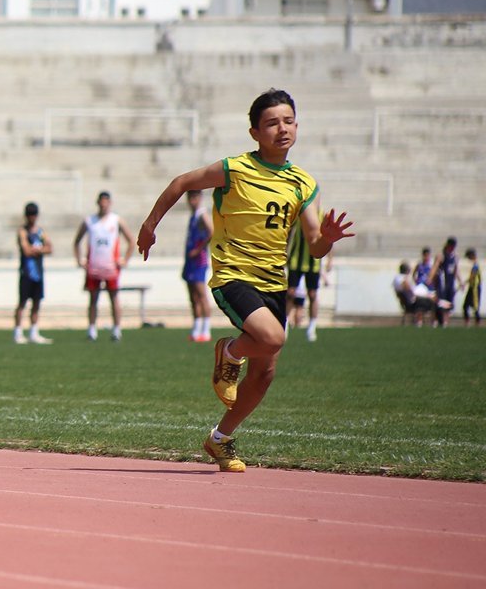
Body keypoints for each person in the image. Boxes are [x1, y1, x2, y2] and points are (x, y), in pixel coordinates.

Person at [137, 88, 354, 473]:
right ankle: (229, 351)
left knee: (265, 373)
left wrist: (328, 239)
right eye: (272, 123)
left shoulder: (304, 184)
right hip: (234, 275)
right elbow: (181, 182)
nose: (282, 129)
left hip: (274, 284)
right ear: (255, 132)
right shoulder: (234, 169)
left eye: (288, 121)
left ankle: (220, 439)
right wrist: (149, 226)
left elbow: (315, 246)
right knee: (273, 338)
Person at [73, 191, 134, 341]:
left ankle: (117, 330)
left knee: (114, 298)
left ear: (110, 203)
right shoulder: (90, 221)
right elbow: (77, 241)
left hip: (111, 267)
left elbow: (131, 241)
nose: (104, 205)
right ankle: (92, 329)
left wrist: (125, 259)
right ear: (98, 203)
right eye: (102, 202)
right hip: (94, 266)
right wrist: (79, 260)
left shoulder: (116, 220)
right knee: (93, 299)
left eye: (106, 202)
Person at [14, 202, 54, 345]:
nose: (32, 217)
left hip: (38, 272)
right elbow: (26, 250)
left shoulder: (40, 232)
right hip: (26, 272)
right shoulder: (23, 231)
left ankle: (33, 332)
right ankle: (18, 333)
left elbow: (50, 248)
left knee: (36, 303)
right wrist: (40, 249)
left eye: (34, 214)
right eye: (30, 214)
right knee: (22, 303)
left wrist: (37, 250)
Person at [285, 212, 326, 341]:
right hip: (296, 260)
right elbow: (289, 233)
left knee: (312, 294)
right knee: (290, 292)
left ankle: (312, 327)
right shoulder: (299, 213)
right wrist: (285, 252)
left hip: (313, 262)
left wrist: (330, 258)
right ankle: (284, 324)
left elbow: (328, 238)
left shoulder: (321, 215)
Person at [182, 189, 213, 342]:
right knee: (193, 296)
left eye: (195, 197)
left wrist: (199, 249)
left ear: (200, 198)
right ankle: (196, 329)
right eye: (190, 197)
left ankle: (206, 330)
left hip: (199, 261)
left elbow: (211, 232)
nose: (192, 200)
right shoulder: (193, 215)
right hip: (190, 261)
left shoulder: (202, 215)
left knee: (201, 295)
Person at [430, 236, 461, 328]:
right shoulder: (441, 255)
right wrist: (430, 278)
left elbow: (456, 270)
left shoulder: (455, 256)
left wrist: (460, 281)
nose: (452, 248)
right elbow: (435, 267)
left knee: (449, 302)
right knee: (440, 301)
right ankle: (436, 321)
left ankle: (445, 322)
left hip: (450, 282)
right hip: (442, 282)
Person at [393, 261, 435, 326]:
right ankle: (424, 321)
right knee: (431, 300)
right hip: (412, 301)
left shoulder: (397, 278)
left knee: (429, 296)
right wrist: (413, 294)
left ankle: (422, 320)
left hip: (409, 299)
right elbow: (407, 287)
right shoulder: (402, 278)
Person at [463, 248, 481, 327]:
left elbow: (472, 276)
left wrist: (464, 283)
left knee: (475, 306)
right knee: (466, 305)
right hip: (472, 287)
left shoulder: (476, 265)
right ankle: (468, 322)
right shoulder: (475, 264)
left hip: (475, 288)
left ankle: (477, 322)